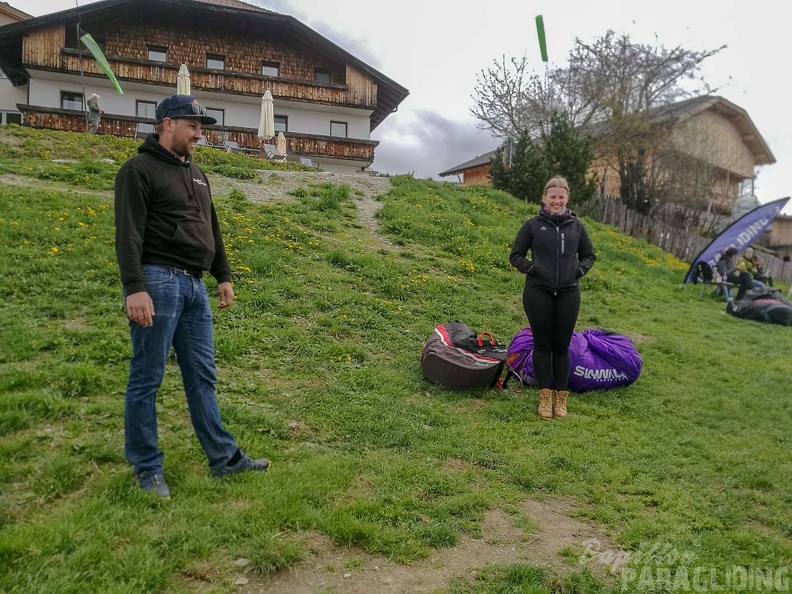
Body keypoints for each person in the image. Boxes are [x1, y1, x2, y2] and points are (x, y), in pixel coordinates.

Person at [114, 94, 269, 498]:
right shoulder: (138, 169)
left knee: (202, 375)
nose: (200, 133)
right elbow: (128, 231)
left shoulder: (198, 174)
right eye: (193, 125)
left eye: (202, 127)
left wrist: (223, 274)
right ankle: (148, 469)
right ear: (167, 124)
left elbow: (211, 226)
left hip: (196, 287)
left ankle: (224, 459)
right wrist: (135, 287)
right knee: (147, 376)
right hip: (157, 280)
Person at [509, 176, 596, 420]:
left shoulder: (577, 227)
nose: (557, 201)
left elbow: (589, 255)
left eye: (561, 197)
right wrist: (532, 269)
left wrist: (577, 271)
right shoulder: (532, 225)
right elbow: (516, 256)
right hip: (538, 292)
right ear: (544, 199)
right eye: (552, 197)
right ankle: (545, 397)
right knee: (542, 344)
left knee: (561, 346)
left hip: (569, 293)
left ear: (567, 198)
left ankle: (561, 397)